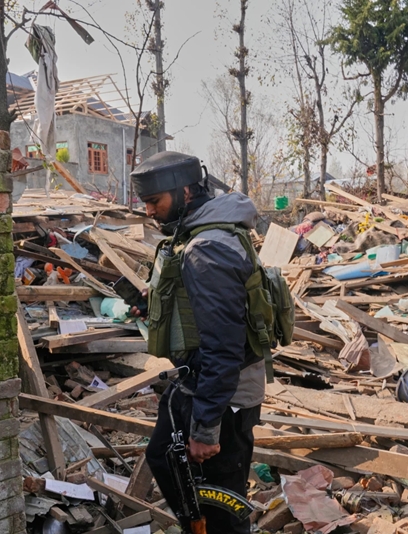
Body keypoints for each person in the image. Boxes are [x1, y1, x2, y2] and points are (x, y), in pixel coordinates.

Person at [131, 151, 265, 534]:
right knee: (164, 458)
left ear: (185, 192)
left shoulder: (208, 248)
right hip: (201, 381)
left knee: (222, 503)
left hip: (223, 395)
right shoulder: (200, 235)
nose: (150, 212)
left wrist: (206, 427)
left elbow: (225, 343)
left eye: (155, 201)